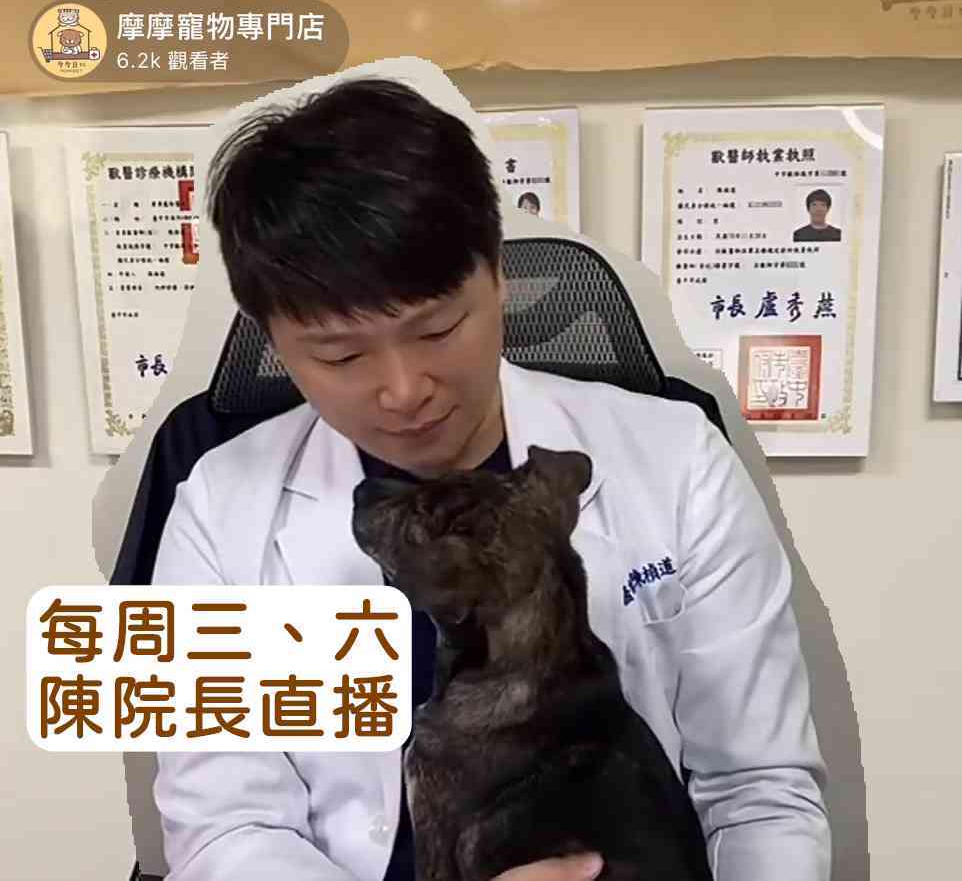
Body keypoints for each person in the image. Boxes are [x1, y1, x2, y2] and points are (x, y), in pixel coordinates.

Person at [150, 77, 831, 881]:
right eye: (341, 355)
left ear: (499, 277)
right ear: (272, 339)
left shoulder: (676, 460)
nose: (404, 391)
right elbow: (224, 829)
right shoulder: (218, 508)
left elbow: (759, 792)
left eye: (438, 329)